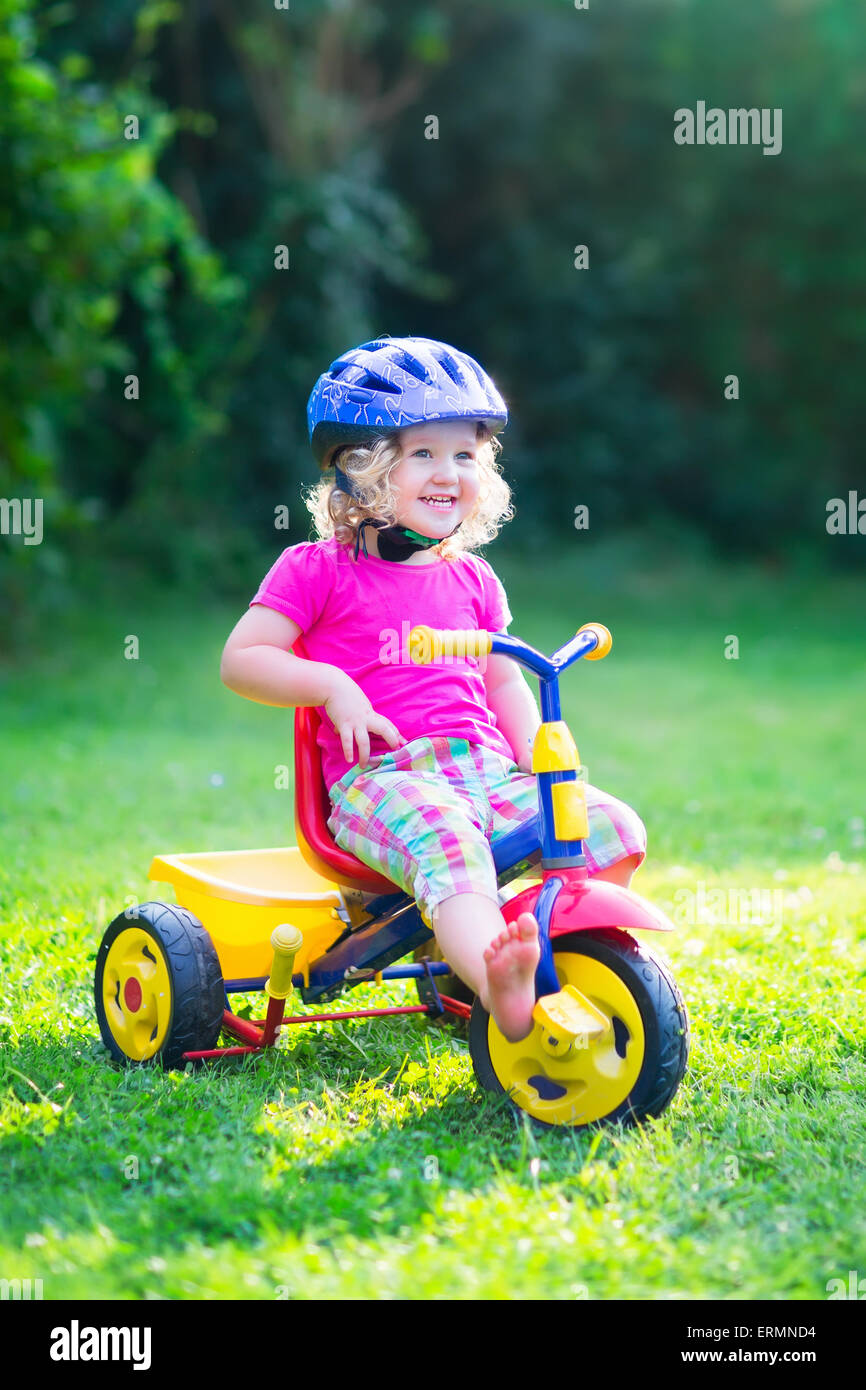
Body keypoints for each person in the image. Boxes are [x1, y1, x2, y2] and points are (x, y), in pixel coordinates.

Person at [220, 336, 646, 1042]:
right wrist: (330, 684)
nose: (449, 471)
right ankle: (498, 980)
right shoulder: (317, 570)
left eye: (466, 455)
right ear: (366, 468)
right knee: (452, 844)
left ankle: (567, 951)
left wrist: (538, 759)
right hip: (384, 779)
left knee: (608, 826)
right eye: (424, 453)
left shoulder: (474, 578)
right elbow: (243, 659)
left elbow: (502, 678)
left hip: (483, 769)